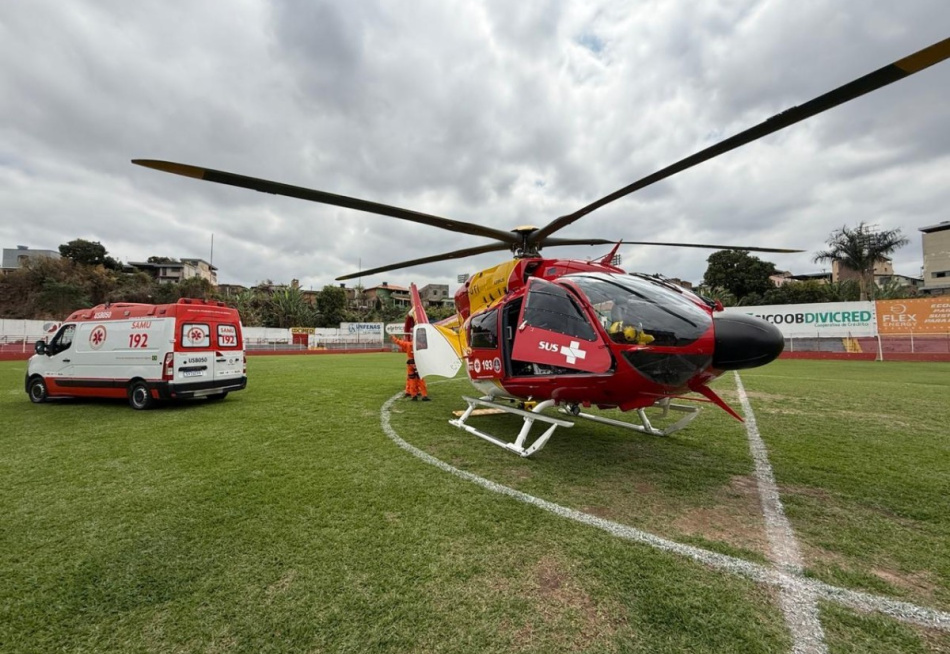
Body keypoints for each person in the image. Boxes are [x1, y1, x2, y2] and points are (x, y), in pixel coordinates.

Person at [390, 333, 430, 401]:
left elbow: (399, 342)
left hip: (410, 364)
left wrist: (394, 338)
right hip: (418, 364)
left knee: (412, 380)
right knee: (421, 380)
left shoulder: (407, 344)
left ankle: (414, 395)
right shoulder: (421, 346)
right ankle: (424, 395)